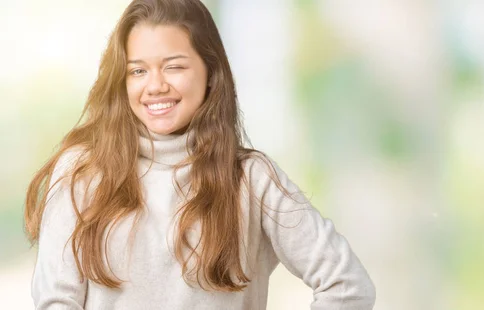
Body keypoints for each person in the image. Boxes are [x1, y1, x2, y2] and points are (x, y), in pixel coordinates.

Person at [24, 0, 376, 309]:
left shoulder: (252, 179)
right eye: (138, 70)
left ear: (211, 73)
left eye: (174, 66)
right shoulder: (82, 171)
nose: (155, 85)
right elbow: (57, 302)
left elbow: (346, 285)